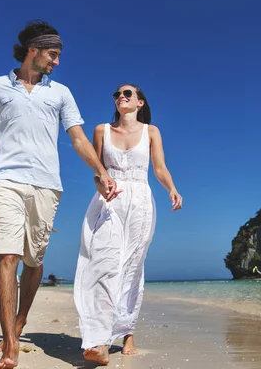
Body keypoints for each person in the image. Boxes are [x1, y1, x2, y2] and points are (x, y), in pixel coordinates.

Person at [0, 20, 117, 369]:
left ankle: (19, 323)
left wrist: (101, 171)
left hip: (46, 184)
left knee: (33, 260)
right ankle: (10, 345)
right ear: (33, 50)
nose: (57, 62)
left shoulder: (60, 93)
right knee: (6, 255)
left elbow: (79, 138)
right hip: (3, 180)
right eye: (53, 54)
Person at [73, 83, 183, 365]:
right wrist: (101, 188)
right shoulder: (102, 130)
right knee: (104, 262)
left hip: (140, 202)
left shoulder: (151, 132)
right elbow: (97, 171)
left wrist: (171, 188)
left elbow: (158, 168)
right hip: (109, 202)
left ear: (140, 103)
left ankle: (127, 332)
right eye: (117, 95)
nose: (121, 97)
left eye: (127, 94)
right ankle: (98, 340)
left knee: (132, 267)